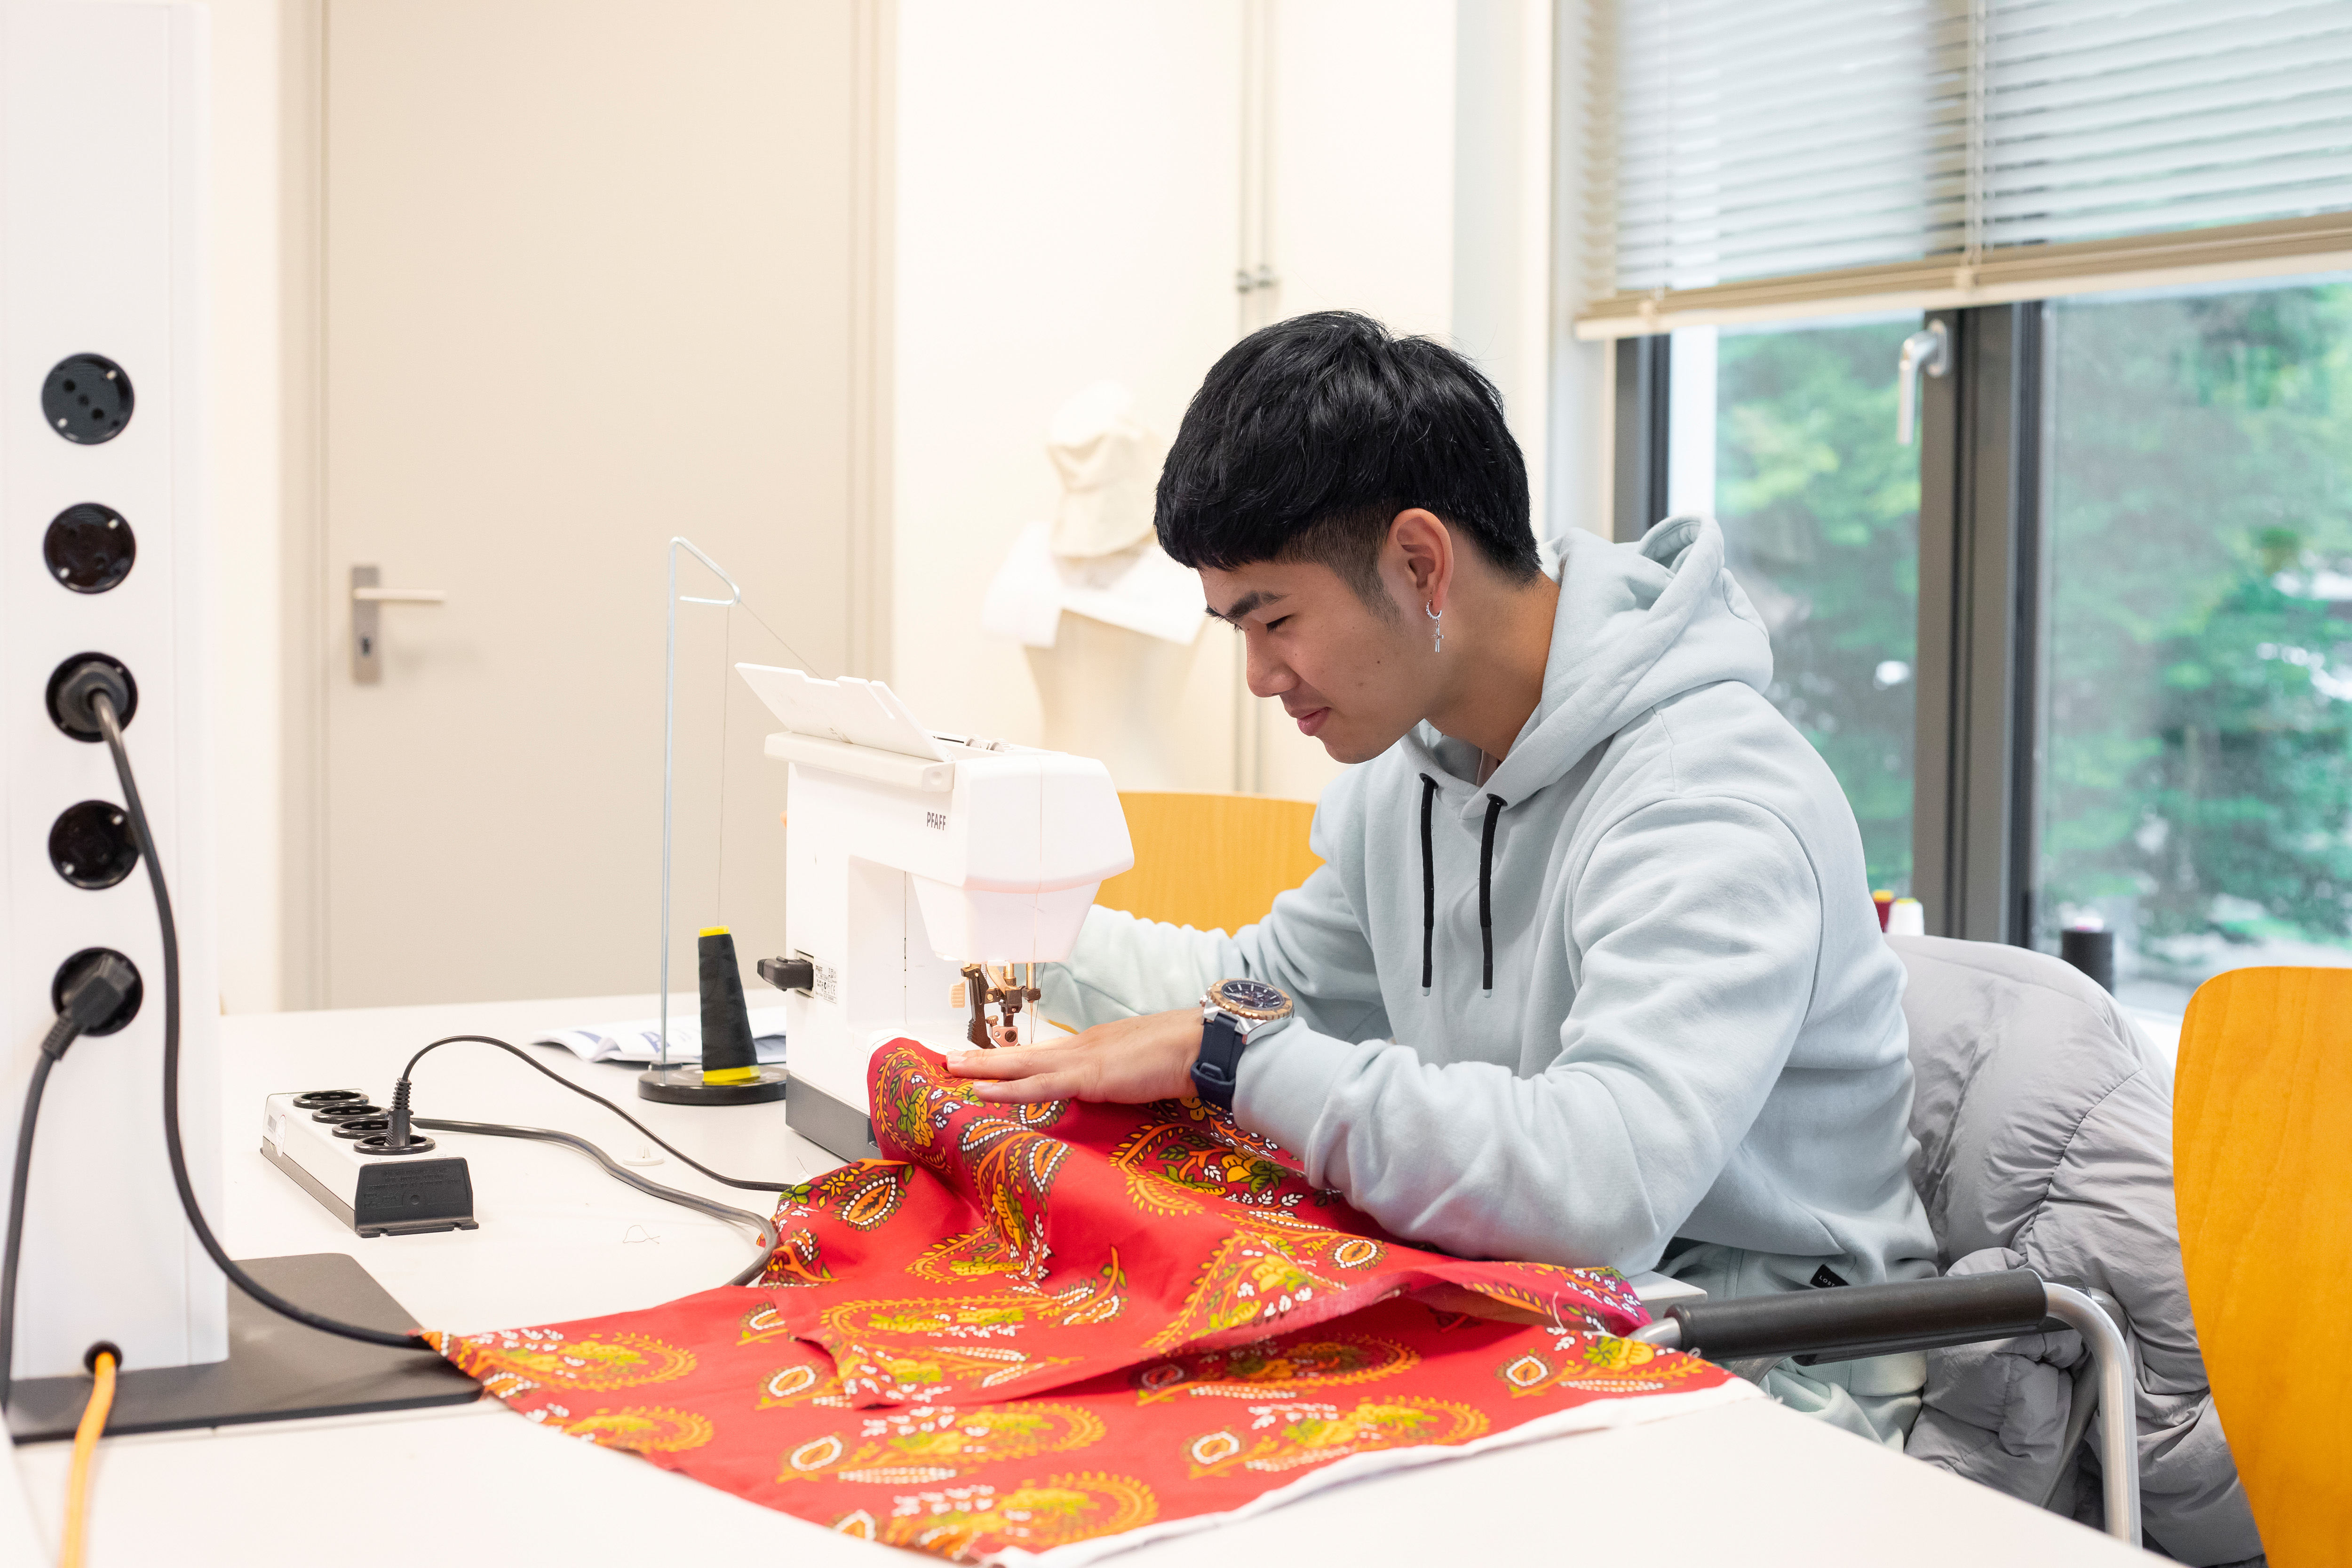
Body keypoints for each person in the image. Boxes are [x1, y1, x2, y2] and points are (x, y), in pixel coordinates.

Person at [945, 310, 1938, 1443]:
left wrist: (1229, 1050)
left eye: (1274, 618)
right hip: (1568, 1307)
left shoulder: (1705, 797)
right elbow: (1263, 990)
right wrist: (1006, 921)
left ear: (1420, 563)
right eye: (1236, 630)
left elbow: (1596, 1186)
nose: (1263, 675)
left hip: (1771, 1368)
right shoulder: (1413, 769)